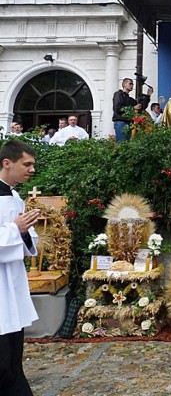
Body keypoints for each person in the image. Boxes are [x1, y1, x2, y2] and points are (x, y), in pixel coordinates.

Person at [0, 140, 40, 395]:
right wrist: (17, 228)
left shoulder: (15, 196)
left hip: (11, 282)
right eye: (27, 164)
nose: (32, 170)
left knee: (14, 349)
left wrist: (23, 231)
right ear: (7, 163)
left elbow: (29, 238)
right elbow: (16, 229)